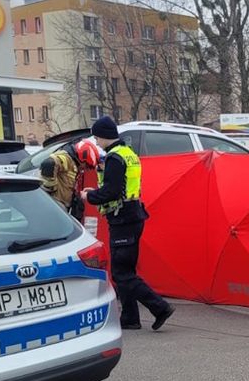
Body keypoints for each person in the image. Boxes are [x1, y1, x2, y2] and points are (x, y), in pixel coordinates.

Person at [81, 116, 174, 331]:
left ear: (104, 136)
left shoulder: (114, 158)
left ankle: (160, 307)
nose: (96, 142)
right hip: (132, 215)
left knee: (121, 273)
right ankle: (130, 317)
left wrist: (90, 196)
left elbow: (111, 191)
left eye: (97, 137)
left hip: (123, 218)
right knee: (126, 270)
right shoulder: (129, 154)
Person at [41, 138, 101, 222]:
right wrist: (50, 187)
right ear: (82, 158)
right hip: (55, 205)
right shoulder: (67, 159)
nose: (85, 168)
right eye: (86, 165)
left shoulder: (75, 165)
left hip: (61, 207)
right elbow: (49, 163)